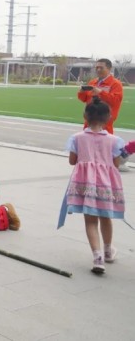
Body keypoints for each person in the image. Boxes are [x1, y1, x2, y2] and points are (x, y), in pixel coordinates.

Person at [58, 99, 125, 274]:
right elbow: (116, 164)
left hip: (85, 184)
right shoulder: (114, 140)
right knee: (106, 216)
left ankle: (97, 258)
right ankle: (108, 250)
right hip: (105, 185)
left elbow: (72, 161)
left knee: (90, 220)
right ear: (109, 117)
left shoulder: (77, 138)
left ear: (85, 116)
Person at [77, 58, 123, 134]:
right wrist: (81, 92)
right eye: (97, 68)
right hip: (89, 122)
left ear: (109, 68)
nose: (98, 70)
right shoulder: (93, 82)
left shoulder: (115, 84)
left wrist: (101, 92)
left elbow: (116, 100)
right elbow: (84, 99)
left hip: (105, 124)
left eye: (101, 68)